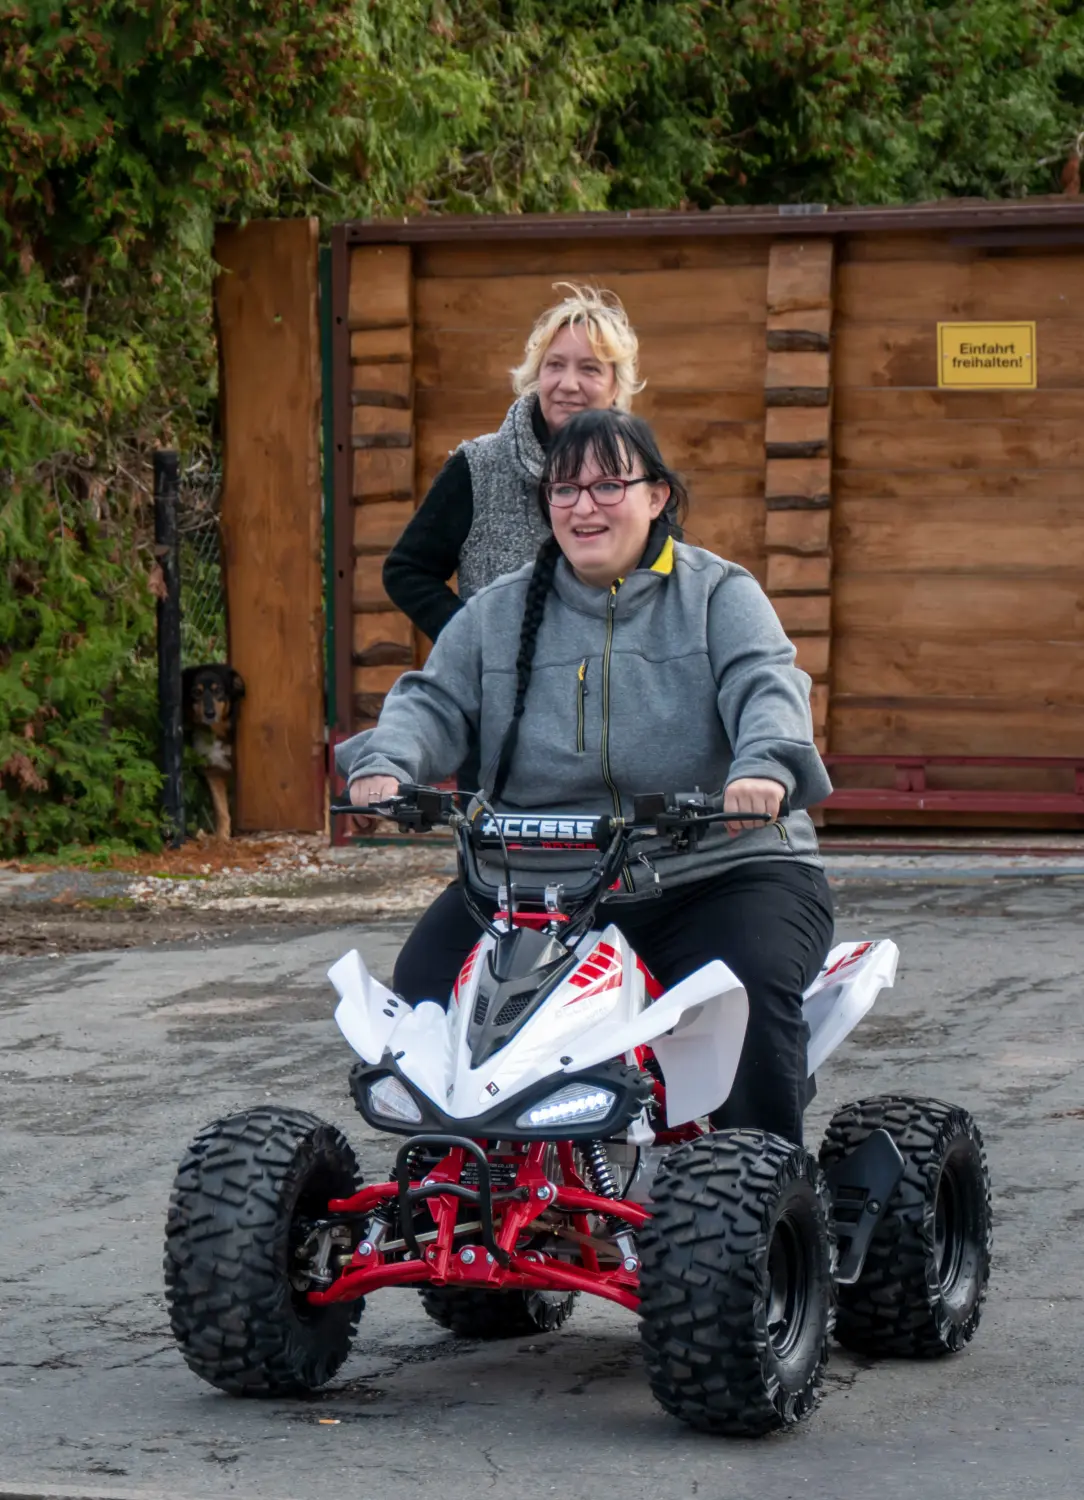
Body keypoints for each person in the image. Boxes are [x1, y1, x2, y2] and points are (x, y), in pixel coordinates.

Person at [339, 410, 834, 1147]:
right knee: (423, 1001)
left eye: (609, 485)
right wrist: (384, 764)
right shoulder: (498, 610)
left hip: (714, 869)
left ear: (657, 496)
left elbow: (768, 689)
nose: (583, 506)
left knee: (749, 994)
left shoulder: (719, 596)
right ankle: (471, 1194)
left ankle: (768, 1207)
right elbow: (432, 701)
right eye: (565, 489)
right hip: (532, 879)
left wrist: (761, 768)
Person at [382, 283, 643, 643]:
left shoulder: (640, 475)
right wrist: (476, 642)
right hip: (503, 695)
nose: (569, 384)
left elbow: (661, 586)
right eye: (555, 365)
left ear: (616, 386)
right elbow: (406, 570)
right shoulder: (479, 466)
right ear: (538, 375)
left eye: (590, 369)